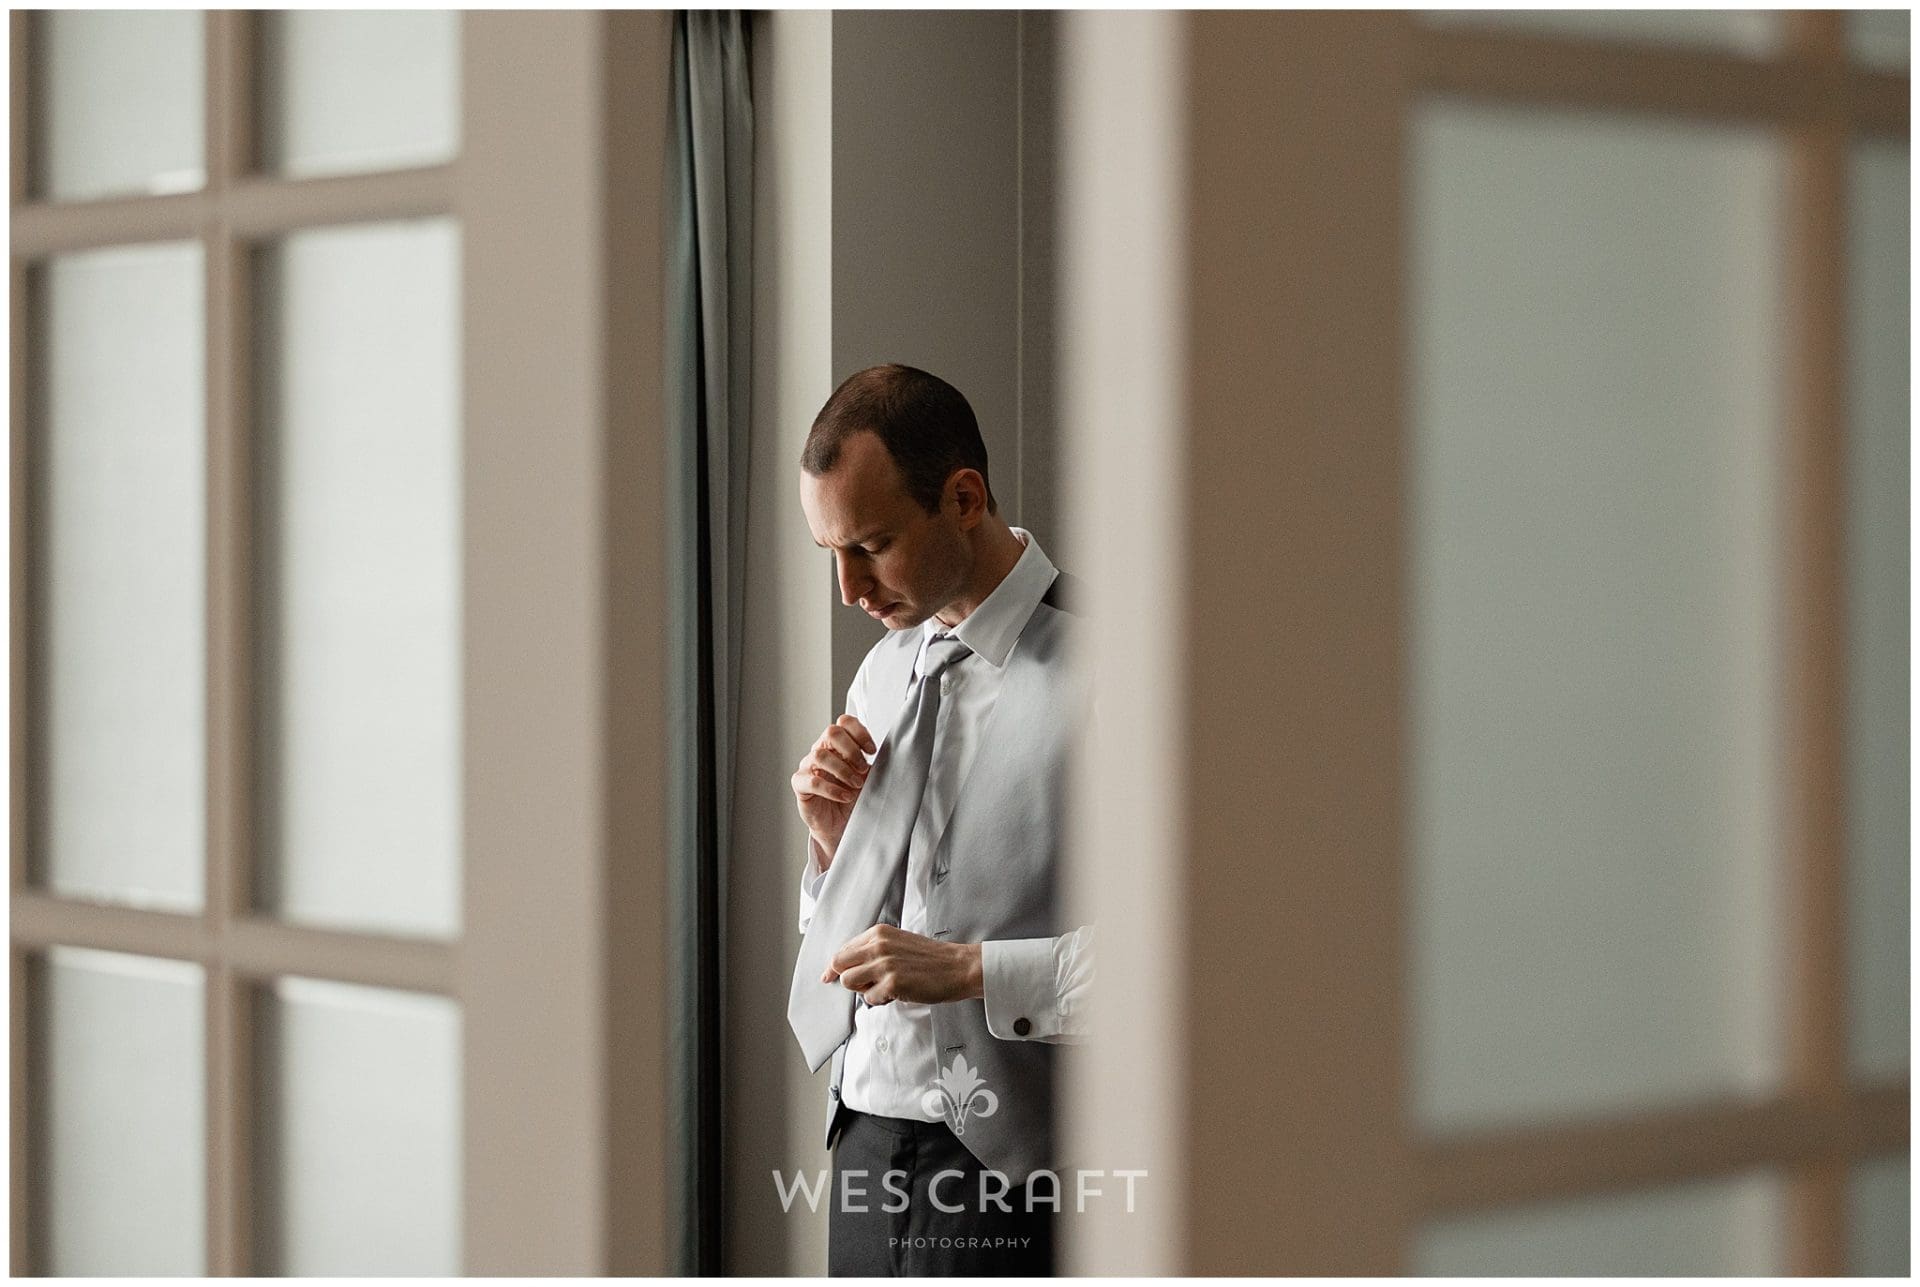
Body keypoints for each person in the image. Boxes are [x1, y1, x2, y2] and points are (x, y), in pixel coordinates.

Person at [786, 364, 1094, 1276]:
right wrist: (832, 847)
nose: (848, 589)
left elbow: (1187, 958)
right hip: (863, 1142)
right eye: (830, 554)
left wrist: (968, 971)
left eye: (872, 545)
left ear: (963, 498)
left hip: (1014, 1169)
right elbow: (852, 937)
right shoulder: (885, 672)